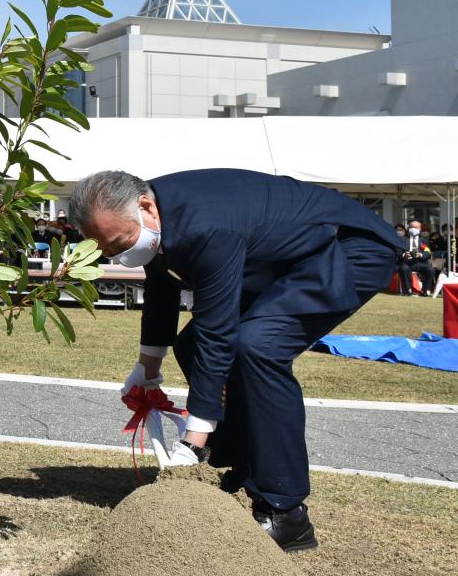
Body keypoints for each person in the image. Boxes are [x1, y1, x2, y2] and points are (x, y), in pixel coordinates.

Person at [68, 169, 400, 552]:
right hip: (286, 259)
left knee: (257, 346)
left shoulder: (205, 225)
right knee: (190, 345)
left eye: (121, 243)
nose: (120, 256)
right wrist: (147, 369)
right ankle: (242, 465)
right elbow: (162, 290)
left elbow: (218, 330)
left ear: (145, 207)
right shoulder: (155, 216)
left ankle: (285, 511)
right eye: (109, 251)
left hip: (348, 249)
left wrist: (194, 437)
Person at [398, 220, 435, 296]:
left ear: (420, 229)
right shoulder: (402, 240)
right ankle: (408, 290)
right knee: (403, 268)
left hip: (421, 262)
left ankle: (425, 290)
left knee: (430, 269)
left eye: (416, 227)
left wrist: (421, 255)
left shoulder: (424, 241)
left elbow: (428, 253)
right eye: (411, 227)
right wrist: (404, 254)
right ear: (408, 228)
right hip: (407, 262)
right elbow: (397, 252)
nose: (413, 229)